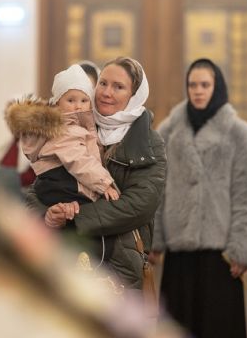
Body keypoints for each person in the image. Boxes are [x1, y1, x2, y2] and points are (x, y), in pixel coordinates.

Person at [25, 57, 167, 290]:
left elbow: (140, 204)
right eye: (103, 83)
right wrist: (49, 215)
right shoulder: (75, 125)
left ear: (134, 95)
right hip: (64, 258)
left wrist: (76, 217)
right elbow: (38, 187)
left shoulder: (149, 142)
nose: (107, 92)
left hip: (116, 266)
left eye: (118, 87)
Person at [150, 58, 247, 338]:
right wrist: (155, 239)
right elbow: (157, 189)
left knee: (218, 326)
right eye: (193, 85)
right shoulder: (168, 132)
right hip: (179, 250)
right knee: (177, 327)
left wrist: (243, 249)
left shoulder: (240, 133)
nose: (198, 91)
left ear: (217, 87)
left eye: (205, 85)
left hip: (220, 253)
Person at [6, 64, 119, 211]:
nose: (78, 106)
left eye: (84, 100)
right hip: (64, 185)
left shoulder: (74, 126)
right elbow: (79, 161)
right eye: (71, 100)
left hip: (57, 185)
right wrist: (104, 184)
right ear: (57, 103)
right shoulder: (66, 130)